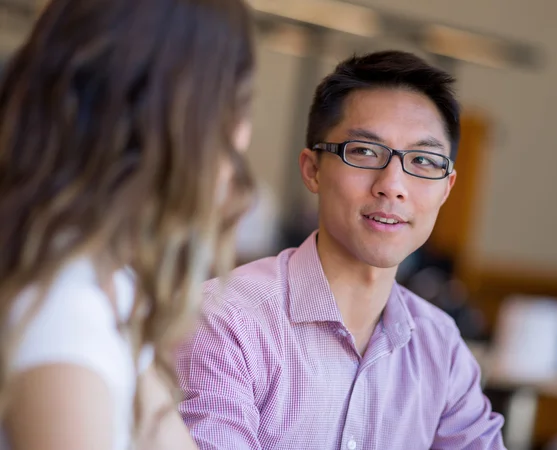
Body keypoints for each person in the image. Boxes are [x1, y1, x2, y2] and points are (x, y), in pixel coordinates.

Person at [177, 50, 506, 449]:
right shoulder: (226, 321)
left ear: (446, 189)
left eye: (422, 160)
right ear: (312, 169)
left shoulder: (441, 347)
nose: (393, 185)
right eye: (365, 152)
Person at [0, 0, 255, 449]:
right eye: (235, 103)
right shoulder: (63, 316)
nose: (243, 135)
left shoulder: (107, 282)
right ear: (180, 120)